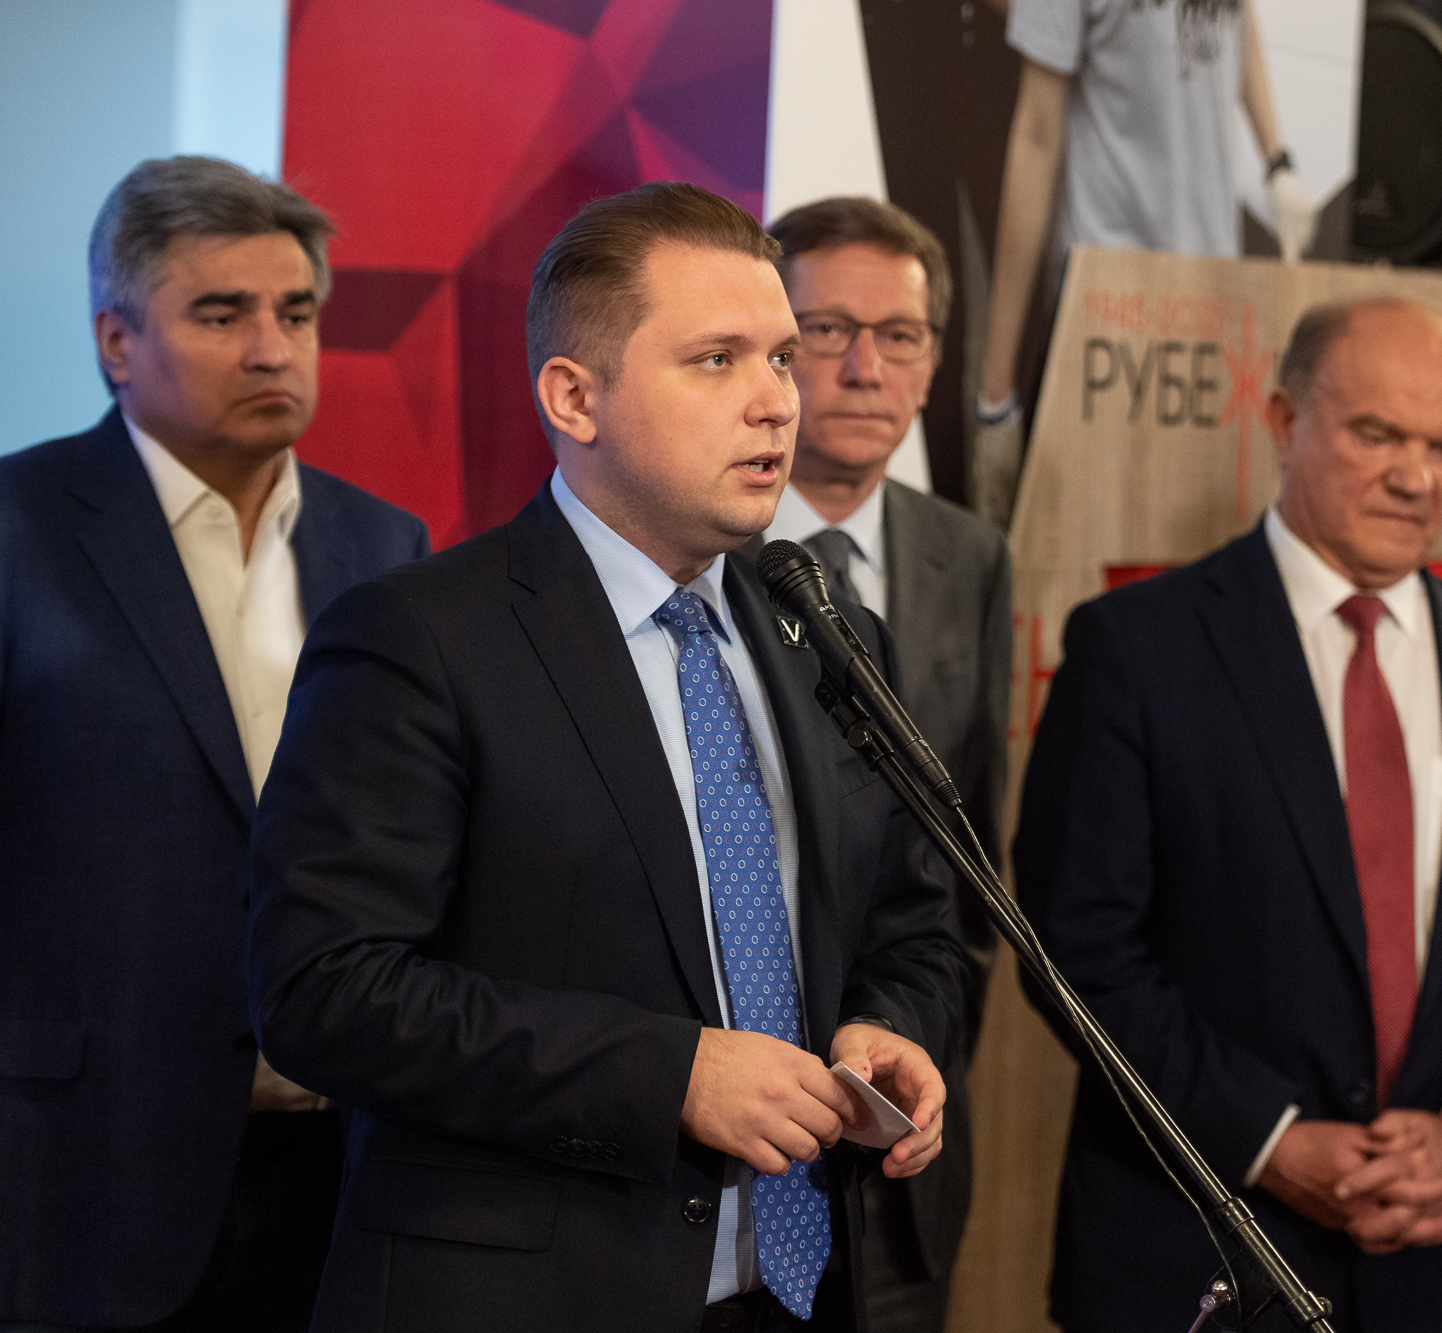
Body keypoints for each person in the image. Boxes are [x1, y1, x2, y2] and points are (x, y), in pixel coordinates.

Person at [245, 181, 965, 1333]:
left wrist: (890, 1026)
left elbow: (912, 923)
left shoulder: (823, 631)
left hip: (797, 1293)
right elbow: (324, 989)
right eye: (717, 360)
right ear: (574, 397)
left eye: (781, 357)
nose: (776, 401)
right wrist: (668, 1074)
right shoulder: (422, 637)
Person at [1014, 296, 1442, 1331]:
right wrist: (1270, 1138)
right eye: (1378, 434)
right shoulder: (1137, 650)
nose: (1415, 476)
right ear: (1286, 421)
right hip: (1198, 1256)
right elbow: (1076, 950)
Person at [0, 155, 429, 1332]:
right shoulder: (19, 529)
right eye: (221, 313)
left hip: (340, 1167)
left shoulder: (385, 547)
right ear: (116, 340)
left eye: (296, 313)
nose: (271, 349)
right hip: (78, 1173)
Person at [759, 196, 1012, 1333]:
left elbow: (969, 866)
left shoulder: (969, 553)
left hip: (900, 1150)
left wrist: (923, 1050)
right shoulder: (696, 546)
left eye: (900, 336)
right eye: (826, 331)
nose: (865, 368)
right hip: (714, 1137)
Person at [968, 0, 1319, 526]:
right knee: (1090, 540)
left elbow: (1238, 20)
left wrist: (1277, 160)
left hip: (1212, 295)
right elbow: (1037, 135)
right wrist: (997, 390)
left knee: (1200, 539)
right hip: (1109, 305)